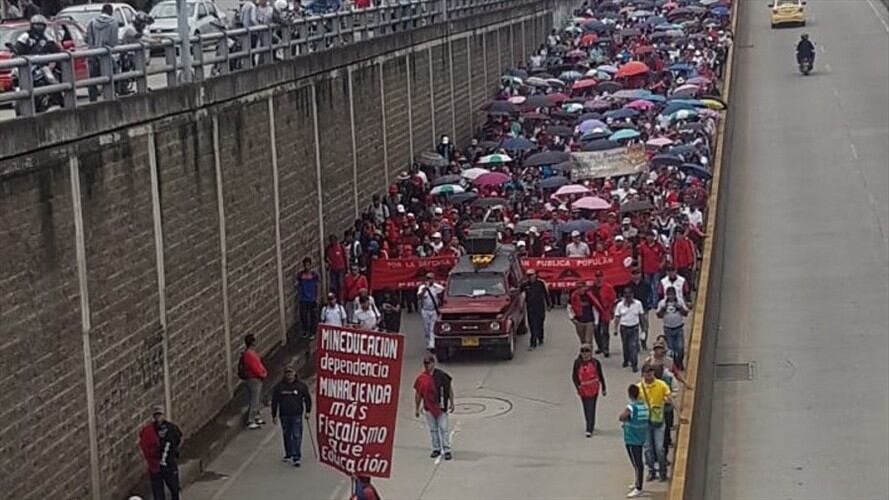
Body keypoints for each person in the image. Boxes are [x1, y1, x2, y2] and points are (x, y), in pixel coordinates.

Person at [414, 354, 454, 460]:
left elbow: (449, 389)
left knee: (443, 428)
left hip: (441, 407)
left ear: (433, 363)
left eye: (429, 363)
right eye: (425, 363)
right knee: (433, 429)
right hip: (428, 407)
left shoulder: (442, 375)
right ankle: (436, 448)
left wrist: (452, 402)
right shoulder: (421, 379)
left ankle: (447, 450)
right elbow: (418, 394)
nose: (427, 365)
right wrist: (417, 408)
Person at [270, 365, 312, 466]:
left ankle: (296, 456)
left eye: (291, 373)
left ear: (294, 374)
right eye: (287, 373)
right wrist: (274, 415)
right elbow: (275, 401)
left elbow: (307, 399)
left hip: (296, 415)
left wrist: (308, 411)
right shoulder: (279, 387)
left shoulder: (301, 386)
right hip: (284, 415)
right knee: (287, 435)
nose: (289, 375)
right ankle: (288, 454)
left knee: (296, 435)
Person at [138, 405, 182, 500]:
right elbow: (145, 444)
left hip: (169, 464)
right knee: (158, 492)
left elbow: (177, 439)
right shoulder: (149, 431)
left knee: (174, 488)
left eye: (160, 415)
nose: (158, 417)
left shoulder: (171, 428)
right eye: (156, 415)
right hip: (156, 465)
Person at [639, 364, 672, 482]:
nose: (649, 375)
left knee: (659, 448)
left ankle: (663, 472)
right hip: (645, 422)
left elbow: (669, 397)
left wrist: (668, 400)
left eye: (651, 373)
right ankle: (651, 470)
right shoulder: (639, 388)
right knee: (647, 448)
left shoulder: (661, 385)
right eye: (647, 373)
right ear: (643, 374)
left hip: (658, 421)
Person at [619, 384, 649, 498]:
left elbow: (621, 417)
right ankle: (637, 482)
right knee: (638, 463)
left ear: (630, 395)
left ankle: (639, 487)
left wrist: (627, 420)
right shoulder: (644, 406)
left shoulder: (631, 407)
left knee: (637, 463)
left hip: (632, 438)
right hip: (641, 437)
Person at [571, 344, 607, 437]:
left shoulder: (595, 362)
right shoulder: (577, 363)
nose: (585, 353)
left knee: (591, 406)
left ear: (591, 352)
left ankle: (589, 428)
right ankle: (590, 423)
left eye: (587, 351)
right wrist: (578, 387)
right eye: (582, 351)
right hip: (583, 388)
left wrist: (604, 388)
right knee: (586, 407)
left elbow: (600, 375)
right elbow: (574, 376)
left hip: (593, 388)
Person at [85, 4, 118, 102]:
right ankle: (110, 97)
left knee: (93, 80)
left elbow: (88, 39)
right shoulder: (113, 23)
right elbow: (114, 42)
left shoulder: (92, 22)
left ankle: (93, 101)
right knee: (112, 76)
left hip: (93, 55)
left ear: (101, 11)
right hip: (107, 54)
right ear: (111, 12)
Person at [614, 287, 646, 373]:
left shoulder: (638, 304)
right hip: (624, 328)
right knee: (625, 346)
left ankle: (634, 364)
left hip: (634, 328)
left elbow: (641, 317)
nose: (628, 298)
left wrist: (643, 329)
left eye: (630, 296)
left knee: (633, 346)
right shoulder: (620, 305)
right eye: (626, 296)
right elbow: (617, 317)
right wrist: (615, 329)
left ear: (632, 295)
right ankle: (626, 360)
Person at [656, 287, 689, 369]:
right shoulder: (662, 303)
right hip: (668, 329)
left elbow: (685, 313)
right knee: (671, 350)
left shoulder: (680, 301)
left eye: (672, 295)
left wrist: (679, 307)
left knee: (680, 348)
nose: (671, 296)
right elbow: (658, 315)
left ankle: (680, 362)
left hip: (678, 328)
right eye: (669, 295)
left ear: (675, 295)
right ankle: (674, 365)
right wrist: (663, 308)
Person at [239, 334, 268, 429]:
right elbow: (254, 367)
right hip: (253, 379)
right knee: (254, 399)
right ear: (252, 342)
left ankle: (256, 416)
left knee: (257, 398)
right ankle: (250, 420)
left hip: (256, 378)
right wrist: (262, 374)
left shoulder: (251, 352)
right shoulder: (249, 354)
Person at [520, 269, 551, 350]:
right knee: (532, 325)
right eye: (529, 276)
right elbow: (518, 291)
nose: (531, 277)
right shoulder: (525, 285)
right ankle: (533, 343)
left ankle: (540, 338)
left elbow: (545, 294)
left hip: (540, 308)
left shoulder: (540, 284)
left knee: (540, 324)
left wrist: (549, 305)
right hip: (531, 308)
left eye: (532, 275)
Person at [417, 273, 444, 351]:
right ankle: (428, 342)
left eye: (431, 278)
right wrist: (424, 290)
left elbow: (443, 292)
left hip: (434, 310)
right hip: (425, 311)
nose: (429, 280)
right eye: (428, 278)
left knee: (432, 328)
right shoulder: (422, 287)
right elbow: (418, 297)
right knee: (427, 328)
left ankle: (432, 344)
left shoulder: (437, 287)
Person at [296, 257, 320, 338]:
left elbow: (317, 285)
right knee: (304, 316)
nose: (307, 267)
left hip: (312, 298)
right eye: (305, 265)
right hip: (303, 299)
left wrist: (316, 296)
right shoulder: (300, 275)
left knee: (313, 316)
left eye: (308, 265)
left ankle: (313, 332)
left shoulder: (314, 275)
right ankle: (305, 330)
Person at [326, 235, 347, 301]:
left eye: (333, 240)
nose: (332, 242)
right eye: (330, 240)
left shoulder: (341, 247)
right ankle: (335, 299)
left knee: (341, 285)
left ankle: (341, 299)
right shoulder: (328, 249)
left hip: (341, 268)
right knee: (334, 286)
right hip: (333, 269)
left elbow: (345, 258)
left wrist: (347, 269)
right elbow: (326, 258)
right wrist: (328, 263)